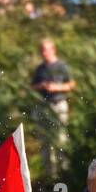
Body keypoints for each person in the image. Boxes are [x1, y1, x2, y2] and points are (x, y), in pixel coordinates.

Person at [31, 38, 75, 178]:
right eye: (42, 50)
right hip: (44, 107)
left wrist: (57, 88)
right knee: (45, 141)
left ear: (53, 50)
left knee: (60, 138)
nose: (44, 53)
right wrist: (42, 86)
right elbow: (32, 86)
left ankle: (64, 172)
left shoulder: (62, 66)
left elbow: (71, 84)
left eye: (46, 50)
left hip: (59, 105)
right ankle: (50, 175)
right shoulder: (40, 69)